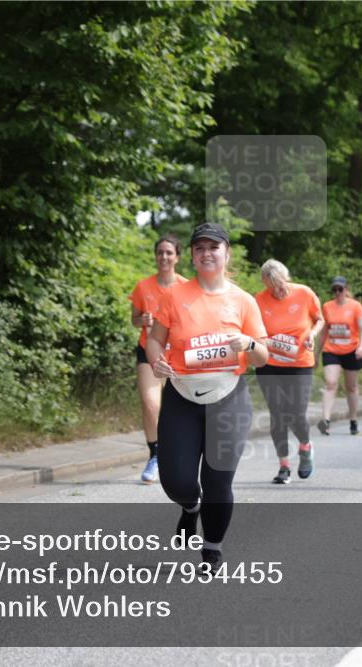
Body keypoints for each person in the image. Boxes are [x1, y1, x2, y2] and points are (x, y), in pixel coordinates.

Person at [146, 222, 268, 572]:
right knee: (178, 482)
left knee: (218, 481)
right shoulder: (174, 296)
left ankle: (212, 549)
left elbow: (262, 357)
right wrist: (157, 360)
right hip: (181, 397)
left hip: (228, 398)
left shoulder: (243, 301)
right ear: (193, 255)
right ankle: (189, 507)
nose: (206, 253)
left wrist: (249, 344)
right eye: (199, 247)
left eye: (213, 247)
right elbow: (156, 338)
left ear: (226, 254)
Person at [254, 260, 323, 485]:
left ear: (287, 278)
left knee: (296, 412)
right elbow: (253, 329)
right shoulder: (259, 300)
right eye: (272, 287)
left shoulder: (304, 293)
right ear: (266, 284)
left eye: (281, 284)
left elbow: (320, 319)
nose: (279, 290)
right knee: (277, 414)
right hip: (269, 364)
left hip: (299, 363)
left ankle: (305, 446)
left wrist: (312, 333)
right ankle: (284, 465)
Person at [129, 234, 188, 483]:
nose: (164, 257)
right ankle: (156, 455)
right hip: (148, 351)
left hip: (178, 354)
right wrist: (141, 321)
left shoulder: (187, 288)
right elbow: (134, 320)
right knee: (151, 404)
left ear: (177, 257)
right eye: (160, 252)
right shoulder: (143, 287)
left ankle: (181, 453)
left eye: (168, 252)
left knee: (180, 409)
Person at [316, 276, 362, 436]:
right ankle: (325, 421)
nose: (337, 292)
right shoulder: (327, 307)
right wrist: (316, 355)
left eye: (340, 289)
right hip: (331, 351)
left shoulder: (355, 306)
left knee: (351, 387)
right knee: (331, 383)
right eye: (335, 290)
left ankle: (353, 420)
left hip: (352, 351)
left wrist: (361, 346)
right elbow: (324, 332)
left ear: (346, 290)